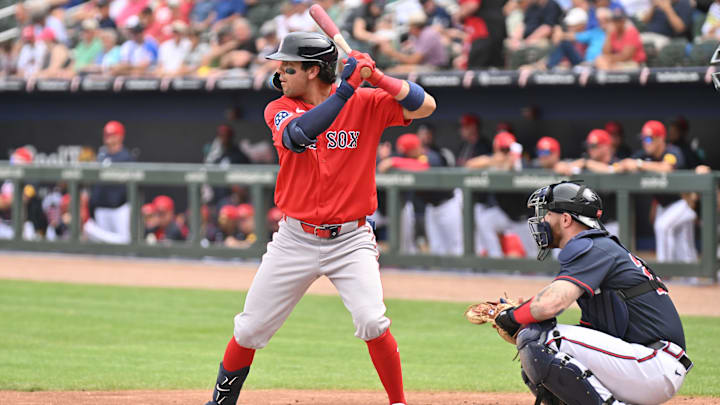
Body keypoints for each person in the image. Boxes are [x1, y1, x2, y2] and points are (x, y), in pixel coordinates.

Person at [203, 31, 436, 405]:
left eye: (288, 67)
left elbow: (425, 106)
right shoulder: (279, 107)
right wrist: (346, 89)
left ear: (313, 71)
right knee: (249, 330)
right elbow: (298, 135)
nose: (279, 74)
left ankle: (398, 403)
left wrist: (376, 78)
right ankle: (219, 402)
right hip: (295, 238)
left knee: (373, 321)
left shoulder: (366, 102)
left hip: (351, 239)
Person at [493, 181, 691, 405]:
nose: (543, 220)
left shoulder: (590, 246)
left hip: (653, 364)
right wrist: (526, 319)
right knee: (538, 347)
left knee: (541, 341)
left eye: (548, 214)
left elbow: (551, 303)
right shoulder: (597, 247)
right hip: (646, 364)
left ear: (566, 219)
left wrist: (511, 317)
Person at [617, 120, 696, 262]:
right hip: (663, 204)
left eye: (649, 139)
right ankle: (684, 278)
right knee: (681, 244)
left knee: (664, 228)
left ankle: (665, 273)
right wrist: (625, 165)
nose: (645, 142)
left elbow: (667, 167)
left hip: (683, 202)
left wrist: (639, 164)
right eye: (643, 139)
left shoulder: (672, 151)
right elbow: (621, 165)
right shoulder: (643, 154)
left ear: (660, 139)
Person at [83, 121, 135, 244]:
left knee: (124, 242)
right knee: (104, 248)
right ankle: (92, 231)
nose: (108, 138)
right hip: (101, 207)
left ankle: (91, 231)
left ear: (120, 136)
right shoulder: (101, 156)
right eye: (106, 135)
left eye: (112, 135)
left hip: (119, 208)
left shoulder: (126, 157)